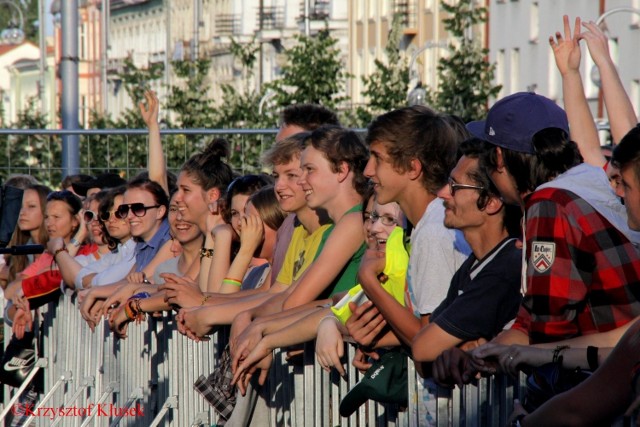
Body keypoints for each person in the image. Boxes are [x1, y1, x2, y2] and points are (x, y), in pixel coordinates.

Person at [433, 91, 640, 388]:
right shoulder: (587, 181)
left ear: (500, 157)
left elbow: (549, 331)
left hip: (603, 387)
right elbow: (531, 323)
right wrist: (481, 355)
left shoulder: (550, 202)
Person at [411, 138, 522, 365]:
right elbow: (423, 359)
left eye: (455, 186)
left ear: (491, 202)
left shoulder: (504, 269)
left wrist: (453, 351)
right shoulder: (473, 266)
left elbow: (423, 348)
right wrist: (463, 347)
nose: (443, 193)